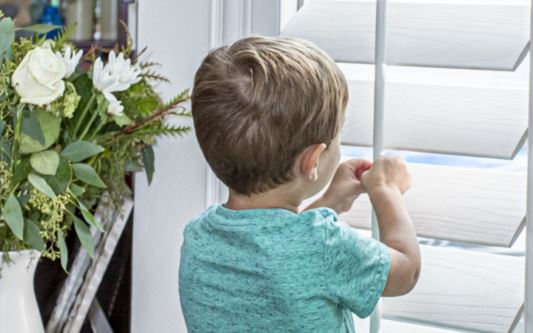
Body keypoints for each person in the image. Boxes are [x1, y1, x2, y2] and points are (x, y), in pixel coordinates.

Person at [178, 36, 420, 332]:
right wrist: (387, 190)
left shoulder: (199, 238)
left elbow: (278, 251)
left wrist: (330, 201)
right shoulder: (325, 245)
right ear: (313, 160)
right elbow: (406, 272)